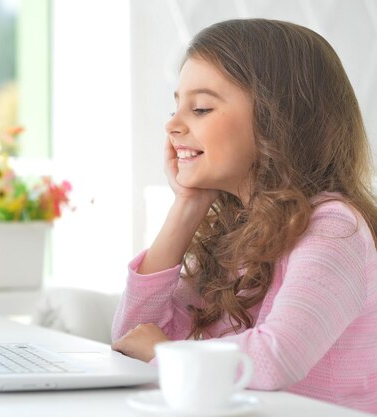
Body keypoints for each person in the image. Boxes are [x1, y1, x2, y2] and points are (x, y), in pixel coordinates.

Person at [111, 18, 377, 413]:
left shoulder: (334, 227)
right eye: (176, 106)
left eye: (200, 108)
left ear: (278, 118)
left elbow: (276, 358)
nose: (172, 124)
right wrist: (187, 206)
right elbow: (131, 339)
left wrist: (166, 354)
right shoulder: (236, 229)